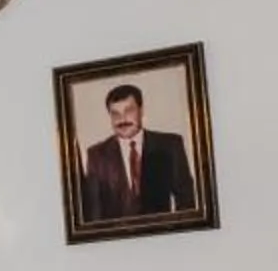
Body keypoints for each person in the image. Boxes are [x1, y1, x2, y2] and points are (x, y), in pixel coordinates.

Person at [81, 82, 196, 220]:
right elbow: (94, 213)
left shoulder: (170, 145)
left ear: (141, 111)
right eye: (115, 114)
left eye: (128, 111)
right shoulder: (96, 155)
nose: (122, 119)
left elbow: (186, 202)